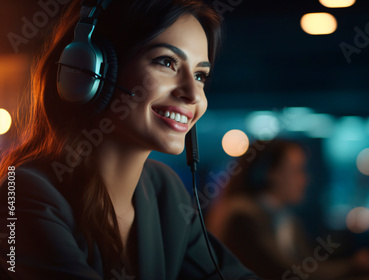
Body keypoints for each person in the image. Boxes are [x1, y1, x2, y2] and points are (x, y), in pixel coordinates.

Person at [0, 0, 260, 279]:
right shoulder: (24, 191)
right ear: (89, 70)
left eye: (200, 75)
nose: (193, 94)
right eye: (167, 62)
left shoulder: (164, 189)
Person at [207, 139, 369, 280]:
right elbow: (285, 271)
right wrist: (353, 266)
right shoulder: (243, 215)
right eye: (298, 170)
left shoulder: (285, 218)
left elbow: (308, 264)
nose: (306, 179)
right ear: (270, 173)